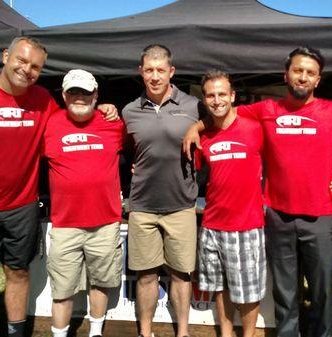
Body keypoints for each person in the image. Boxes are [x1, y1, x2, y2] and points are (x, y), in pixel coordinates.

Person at [0, 36, 117, 337]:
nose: (27, 70)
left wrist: (106, 108)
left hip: (22, 206)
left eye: (35, 66)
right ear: (5, 55)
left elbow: (77, 116)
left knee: (19, 273)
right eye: (21, 60)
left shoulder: (43, 101)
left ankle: (16, 332)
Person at [184, 46, 332, 337]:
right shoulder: (266, 110)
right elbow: (223, 115)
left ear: (318, 80)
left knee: (321, 291)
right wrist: (194, 127)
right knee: (285, 291)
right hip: (279, 215)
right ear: (286, 74)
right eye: (298, 70)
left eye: (310, 72)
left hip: (321, 215)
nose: (303, 77)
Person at [122, 44, 205, 337]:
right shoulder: (129, 110)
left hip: (181, 205)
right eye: (149, 70)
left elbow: (222, 120)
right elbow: (126, 151)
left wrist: (199, 126)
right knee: (145, 276)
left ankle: (182, 332)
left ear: (171, 71)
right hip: (142, 206)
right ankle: (146, 332)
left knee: (181, 276)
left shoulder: (194, 106)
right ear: (140, 72)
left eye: (160, 70)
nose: (154, 76)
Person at [43, 69, 124, 337]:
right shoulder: (50, 123)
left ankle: (95, 333)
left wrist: (109, 109)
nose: (80, 97)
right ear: (64, 95)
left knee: (100, 283)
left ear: (96, 95)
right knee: (62, 290)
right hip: (65, 224)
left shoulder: (113, 123)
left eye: (86, 92)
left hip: (105, 222)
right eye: (73, 92)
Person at [195, 70, 266, 337]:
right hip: (212, 224)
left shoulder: (255, 129)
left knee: (248, 292)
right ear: (205, 99)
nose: (217, 100)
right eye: (211, 95)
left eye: (222, 94)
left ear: (233, 95)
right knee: (221, 288)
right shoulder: (204, 138)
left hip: (246, 225)